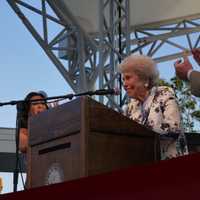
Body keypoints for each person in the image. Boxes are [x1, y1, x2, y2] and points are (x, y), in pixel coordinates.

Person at [118, 54, 188, 160]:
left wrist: (139, 132)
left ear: (145, 79)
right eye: (123, 80)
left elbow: (174, 128)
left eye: (128, 78)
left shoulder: (164, 93)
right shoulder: (130, 107)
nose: (124, 84)